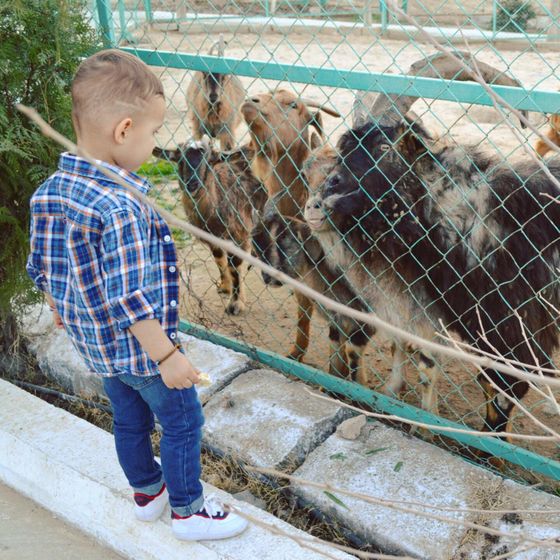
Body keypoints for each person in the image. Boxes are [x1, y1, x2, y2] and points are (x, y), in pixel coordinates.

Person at [26, 49, 248, 542]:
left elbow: (42, 269)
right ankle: (189, 511)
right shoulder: (120, 207)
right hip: (141, 350)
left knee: (127, 420)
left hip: (96, 347)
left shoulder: (47, 192)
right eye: (152, 134)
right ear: (124, 131)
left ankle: (148, 494)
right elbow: (129, 298)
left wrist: (64, 308)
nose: (153, 145)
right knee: (183, 419)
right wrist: (168, 357)